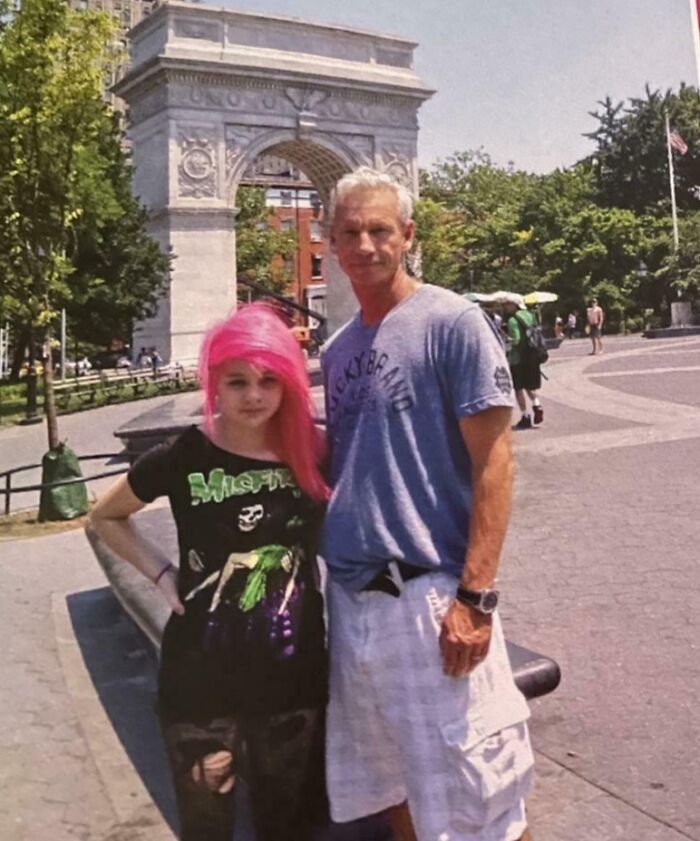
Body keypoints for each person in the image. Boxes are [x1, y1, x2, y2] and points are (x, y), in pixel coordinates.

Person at [321, 167, 534, 841]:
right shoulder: (335, 350)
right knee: (394, 789)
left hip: (433, 598)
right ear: (331, 241)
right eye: (351, 231)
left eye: (381, 230)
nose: (366, 245)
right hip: (354, 601)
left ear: (408, 235)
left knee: (487, 800)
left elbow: (495, 459)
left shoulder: (453, 321)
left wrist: (476, 597)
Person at [90, 303, 329, 841]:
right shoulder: (184, 455)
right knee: (207, 824)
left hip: (294, 675)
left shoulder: (312, 449)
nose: (253, 396)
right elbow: (105, 516)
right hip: (200, 677)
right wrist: (159, 574)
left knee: (287, 824)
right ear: (214, 382)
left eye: (269, 380)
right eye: (237, 381)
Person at [504, 300, 544, 430]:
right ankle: (537, 405)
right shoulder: (529, 315)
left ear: (514, 305)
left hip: (517, 359)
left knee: (518, 388)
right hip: (531, 356)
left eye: (507, 304)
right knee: (530, 385)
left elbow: (516, 340)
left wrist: (505, 338)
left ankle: (525, 416)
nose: (505, 307)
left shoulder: (512, 320)